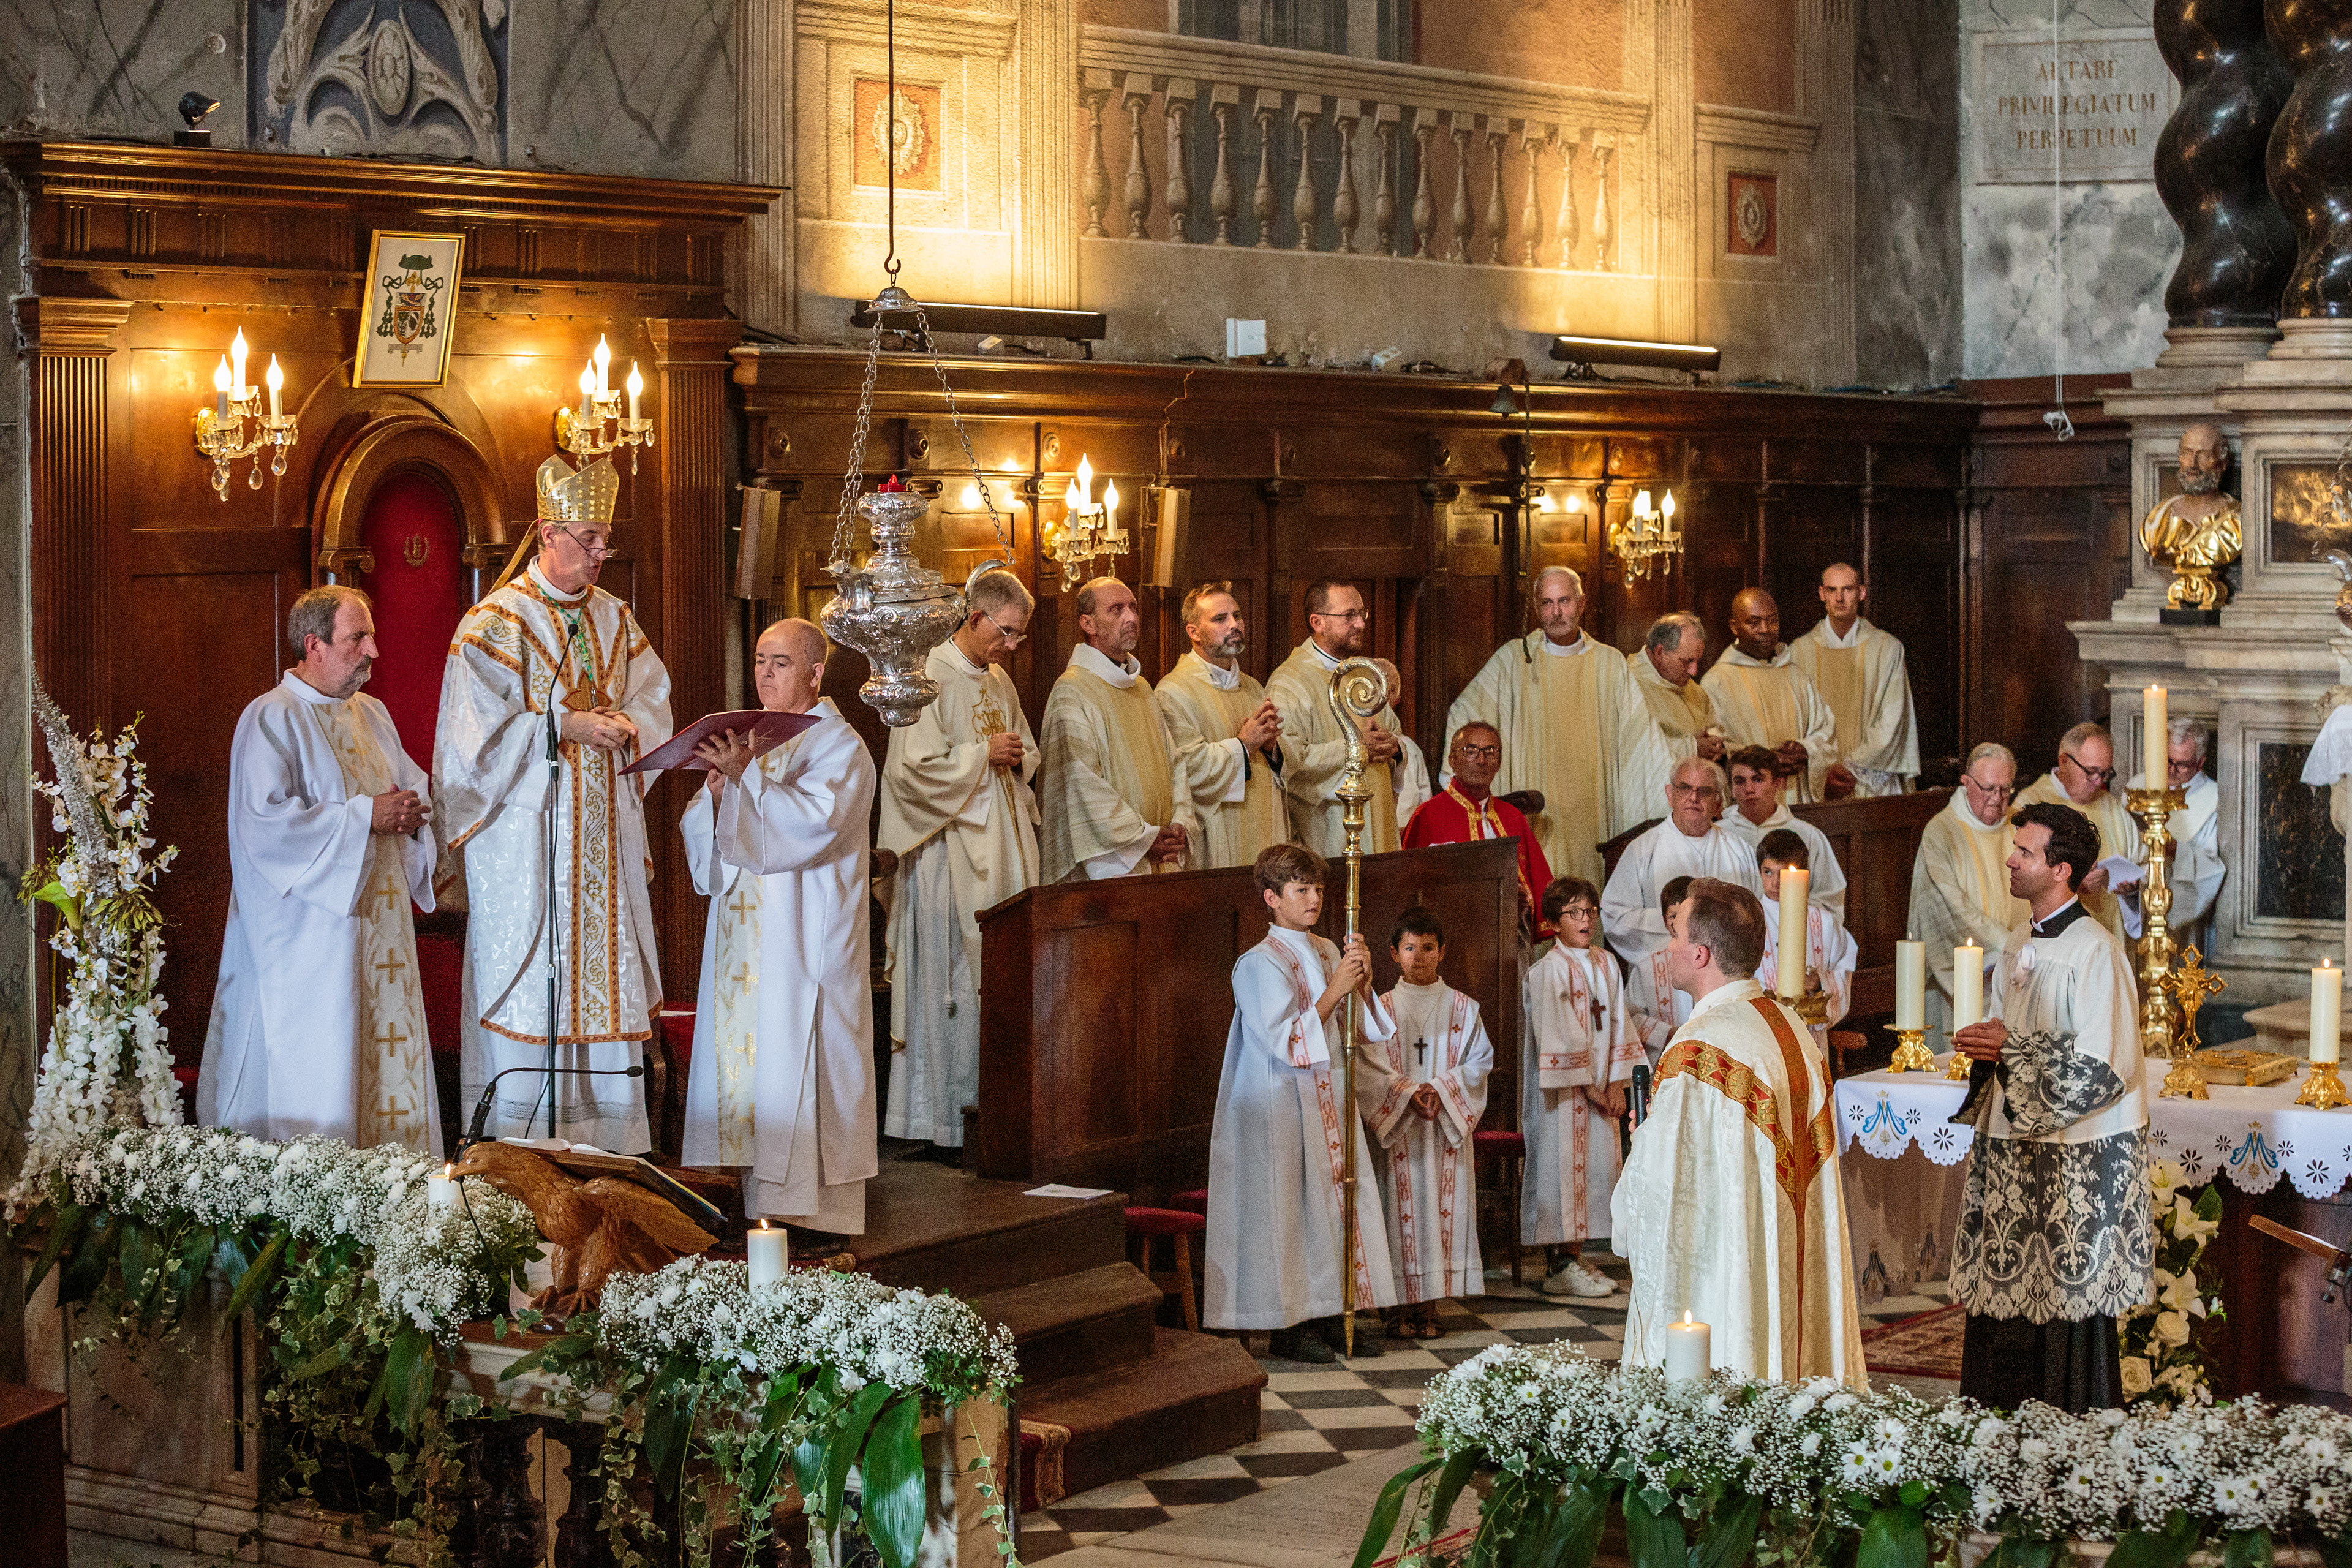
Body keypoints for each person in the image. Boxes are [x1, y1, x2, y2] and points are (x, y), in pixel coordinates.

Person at [437, 456, 671, 1150]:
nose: (601, 554)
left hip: (603, 844)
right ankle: (524, 1151)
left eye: (606, 540)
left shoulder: (616, 619)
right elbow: (465, 751)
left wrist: (634, 727)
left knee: (602, 989)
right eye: (588, 538)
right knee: (537, 991)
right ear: (546, 532)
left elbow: (654, 699)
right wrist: (559, 725)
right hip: (528, 854)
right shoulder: (493, 624)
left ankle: (613, 1154)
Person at [198, 586, 439, 1152]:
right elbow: (264, 826)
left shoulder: (373, 715)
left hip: (380, 932)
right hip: (309, 942)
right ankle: (316, 1202)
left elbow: (412, 790)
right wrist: (364, 817)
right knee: (321, 1065)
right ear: (314, 644)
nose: (374, 650)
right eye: (359, 638)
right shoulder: (269, 718)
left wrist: (412, 809)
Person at [1611, 878, 1868, 1384]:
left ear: (1701, 954)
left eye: (1677, 934)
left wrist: (1643, 1142)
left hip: (1734, 1269)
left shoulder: (1702, 1046)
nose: (1669, 947)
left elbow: (1664, 1194)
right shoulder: (1791, 1027)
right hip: (1786, 1254)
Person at [1950, 801, 2151, 1412]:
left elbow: (2103, 1068)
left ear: (2060, 869)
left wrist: (2008, 1045)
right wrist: (1990, 1048)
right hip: (2016, 1154)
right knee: (2004, 1303)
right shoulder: (2016, 942)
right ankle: (1997, 1431)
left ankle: (2073, 1443)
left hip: (2074, 1162)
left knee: (2068, 1308)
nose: (2009, 860)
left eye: (2024, 852)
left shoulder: (2096, 950)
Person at [680, 619, 878, 1235]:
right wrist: (715, 795)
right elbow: (711, 837)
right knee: (749, 1064)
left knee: (802, 1057)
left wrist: (746, 778)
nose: (765, 673)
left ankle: (814, 1219)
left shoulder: (840, 746)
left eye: (781, 662)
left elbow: (812, 827)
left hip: (802, 946)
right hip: (746, 947)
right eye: (761, 660)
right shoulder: (752, 739)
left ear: (816, 674)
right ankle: (744, 1205)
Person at [1206, 843, 1400, 1363]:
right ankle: (1288, 1327)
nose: (1314, 899)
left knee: (1330, 1209)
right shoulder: (1258, 963)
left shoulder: (1328, 950)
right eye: (1301, 890)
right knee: (1288, 1211)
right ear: (1272, 897)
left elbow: (1357, 1030)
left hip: (1327, 1094)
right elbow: (1283, 1040)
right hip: (1278, 1103)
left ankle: (1333, 1313)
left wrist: (1363, 983)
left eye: (1318, 889)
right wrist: (1337, 989)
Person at [878, 569, 1042, 1152]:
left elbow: (1026, 751)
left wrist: (1017, 757)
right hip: (949, 858)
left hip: (1002, 848)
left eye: (1020, 635)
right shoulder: (928, 678)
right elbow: (908, 774)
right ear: (977, 619)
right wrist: (981, 755)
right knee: (952, 982)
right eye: (1009, 632)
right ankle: (943, 1121)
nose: (1014, 646)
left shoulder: (999, 682)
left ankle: (989, 1116)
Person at [1443, 567, 1674, 884]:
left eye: (1563, 601)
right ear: (1537, 608)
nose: (1556, 612)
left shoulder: (1610, 663)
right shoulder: (1514, 659)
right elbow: (1466, 714)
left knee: (1587, 890)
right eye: (1547, 603)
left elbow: (1640, 739)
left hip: (1592, 809)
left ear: (1581, 603)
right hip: (1538, 813)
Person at [1360, 908, 1491, 1340]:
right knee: (1396, 1215)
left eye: (1428, 948)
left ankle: (1431, 1307)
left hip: (1443, 1134)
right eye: (1410, 948)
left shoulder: (1464, 1009)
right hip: (1398, 1133)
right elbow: (1366, 1066)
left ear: (1442, 952)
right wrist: (1405, 1094)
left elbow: (1479, 1063)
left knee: (1439, 1214)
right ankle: (1397, 1309)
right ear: (1394, 954)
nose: (1419, 957)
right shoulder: (1378, 1010)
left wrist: (1439, 1088)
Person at [1522, 876, 1639, 1300]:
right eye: (1574, 912)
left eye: (1590, 911)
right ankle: (1558, 1265)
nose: (1585, 919)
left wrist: (1620, 1084)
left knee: (1596, 1175)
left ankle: (1574, 1256)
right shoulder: (1546, 971)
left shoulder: (1606, 963)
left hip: (1604, 1089)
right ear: (1554, 923)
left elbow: (1620, 1023)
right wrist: (1593, 1089)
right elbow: (1558, 1034)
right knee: (1561, 1175)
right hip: (1566, 1096)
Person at [1038, 576, 1192, 882]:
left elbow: (1174, 763)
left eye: (1133, 607)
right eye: (1116, 609)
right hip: (1110, 866)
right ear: (1088, 623)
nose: (1131, 617)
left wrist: (1181, 824)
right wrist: (1143, 838)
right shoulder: (1073, 690)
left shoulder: (1143, 688)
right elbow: (1081, 784)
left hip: (1160, 858)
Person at [1267, 579, 1407, 858]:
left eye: (1362, 614)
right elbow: (1288, 763)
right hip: (1329, 831)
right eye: (1349, 615)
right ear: (1317, 622)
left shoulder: (1364, 674)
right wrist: (1356, 750)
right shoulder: (1289, 681)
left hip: (1378, 819)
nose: (1361, 624)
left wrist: (1395, 749)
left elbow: (1394, 735)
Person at [1157, 582, 1289, 869]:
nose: (1235, 625)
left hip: (1265, 829)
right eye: (1220, 619)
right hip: (1216, 836)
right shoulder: (1173, 692)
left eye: (1237, 615)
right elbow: (1185, 770)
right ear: (1193, 632)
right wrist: (1243, 746)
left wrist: (1271, 749)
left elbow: (1279, 765)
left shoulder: (1253, 687)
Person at [1909, 743, 2031, 1052]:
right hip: (1962, 982)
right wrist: (2007, 946)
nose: (1997, 799)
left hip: (2022, 972)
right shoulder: (1941, 832)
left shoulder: (2022, 827)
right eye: (1988, 788)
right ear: (1966, 783)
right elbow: (1946, 906)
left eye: (2005, 790)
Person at [1599, 756, 1762, 978]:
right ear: (1669, 794)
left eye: (1704, 791)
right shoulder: (1643, 850)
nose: (1694, 797)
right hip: (1665, 975)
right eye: (1685, 787)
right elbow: (1615, 916)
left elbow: (1758, 913)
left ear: (1718, 802)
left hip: (1726, 977)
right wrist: (1684, 924)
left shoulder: (1740, 850)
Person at [1402, 722, 1555, 937]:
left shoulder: (1513, 818)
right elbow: (1409, 893)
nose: (1481, 760)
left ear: (1499, 762)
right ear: (1452, 760)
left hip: (1509, 935)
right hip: (1449, 935)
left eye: (1490, 752)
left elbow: (1542, 890)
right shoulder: (1428, 816)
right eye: (1471, 751)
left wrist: (1525, 899)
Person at [1787, 563, 1919, 797]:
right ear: (1821, 594)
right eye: (1832, 590)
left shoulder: (1888, 649)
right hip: (1820, 781)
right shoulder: (1800, 651)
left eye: (1847, 589)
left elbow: (1892, 720)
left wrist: (1851, 768)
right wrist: (1823, 770)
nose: (1839, 598)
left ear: (1861, 593)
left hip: (1871, 781)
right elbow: (1794, 721)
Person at [1700, 588, 1839, 804]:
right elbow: (1716, 748)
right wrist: (1764, 762)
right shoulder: (1716, 681)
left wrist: (1806, 751)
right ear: (1734, 627)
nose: (1765, 630)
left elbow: (1826, 731)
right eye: (1754, 622)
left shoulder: (1797, 676)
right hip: (1749, 805)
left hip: (1799, 801)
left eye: (1772, 621)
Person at [2015, 722, 2136, 942]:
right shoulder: (2031, 805)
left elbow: (2141, 863)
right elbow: (2021, 871)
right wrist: (2074, 882)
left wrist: (2132, 889)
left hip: (2109, 937)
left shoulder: (2112, 807)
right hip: (2059, 939)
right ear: (2064, 761)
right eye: (2091, 772)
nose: (2099, 782)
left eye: (2105, 773)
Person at [1755, 831, 1856, 1052]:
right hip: (1765, 1035)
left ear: (1803, 874)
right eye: (1768, 872)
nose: (1775, 882)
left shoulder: (1823, 922)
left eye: (1784, 874)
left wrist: (1820, 982)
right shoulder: (1749, 919)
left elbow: (1844, 966)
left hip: (1812, 1038)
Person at [2122, 717, 2223, 938]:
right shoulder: (2138, 787)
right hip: (2132, 901)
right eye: (2167, 759)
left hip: (2178, 911)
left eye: (2182, 764)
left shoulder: (2214, 799)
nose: (2172, 770)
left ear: (2200, 762)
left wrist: (2177, 850)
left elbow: (2211, 866)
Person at [1719, 745, 1846, 919]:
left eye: (1758, 780)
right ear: (1732, 788)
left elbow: (1829, 901)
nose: (1749, 789)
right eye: (1740, 781)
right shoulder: (1719, 835)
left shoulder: (1808, 835)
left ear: (1777, 783)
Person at [2138, 423, 2242, 612]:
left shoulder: (2239, 521)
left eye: (2204, 455)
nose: (2193, 463)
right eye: (2187, 453)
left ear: (2223, 463)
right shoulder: (2157, 521)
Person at [1628, 612, 1728, 764]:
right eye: (1686, 661)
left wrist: (1714, 742)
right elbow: (1634, 747)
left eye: (1697, 661)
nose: (1694, 671)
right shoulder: (1630, 687)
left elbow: (1713, 726)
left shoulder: (1692, 689)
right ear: (1660, 653)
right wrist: (1692, 748)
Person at [1624, 875, 1696, 1065]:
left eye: (1687, 915)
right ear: (1665, 921)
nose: (1680, 923)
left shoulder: (1714, 961)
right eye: (1674, 916)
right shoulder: (1647, 969)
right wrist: (1667, 1033)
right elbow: (1629, 1017)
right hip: (1664, 1059)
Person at [1376, 658, 1434, 826]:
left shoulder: (1411, 749)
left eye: (1391, 689)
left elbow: (1424, 807)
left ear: (1397, 700)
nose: (1383, 694)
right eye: (1378, 684)